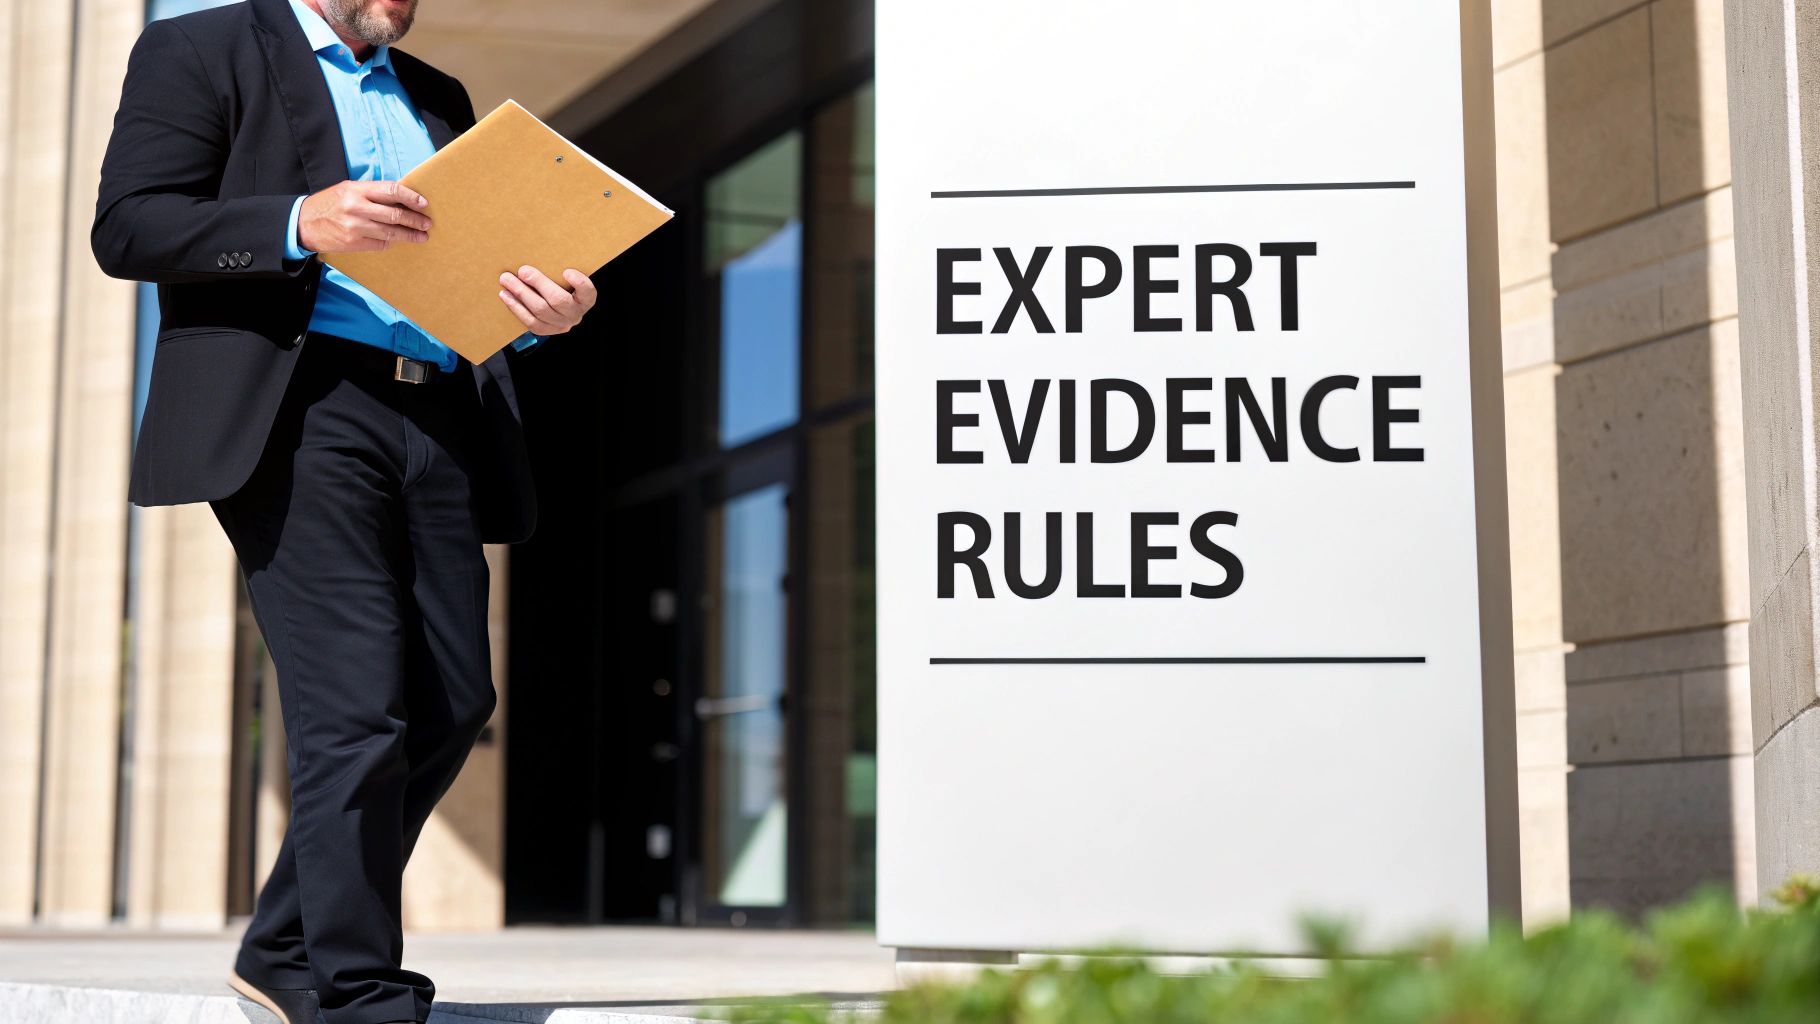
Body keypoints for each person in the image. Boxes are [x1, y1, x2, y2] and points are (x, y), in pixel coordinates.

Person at [91, 1, 593, 1021]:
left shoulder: (439, 97)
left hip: (441, 409)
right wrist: (295, 221)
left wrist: (541, 314)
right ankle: (352, 988)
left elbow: (472, 272)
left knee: (453, 701)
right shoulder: (202, 48)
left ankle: (282, 947)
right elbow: (129, 225)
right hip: (300, 408)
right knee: (356, 710)